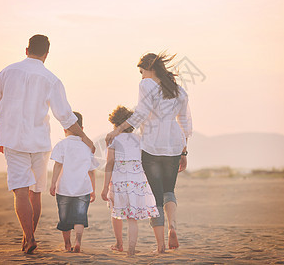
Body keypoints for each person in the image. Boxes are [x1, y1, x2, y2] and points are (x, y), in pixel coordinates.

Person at [0, 35, 95, 254]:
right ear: (46, 54)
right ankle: (28, 238)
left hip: (13, 141)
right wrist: (86, 138)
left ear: (26, 50)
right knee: (35, 192)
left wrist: (1, 136)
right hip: (39, 142)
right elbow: (66, 116)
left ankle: (29, 236)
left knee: (21, 192)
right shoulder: (51, 79)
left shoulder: (7, 72)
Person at [105, 52, 192, 253]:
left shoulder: (146, 85)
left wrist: (117, 130)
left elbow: (141, 113)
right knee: (169, 190)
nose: (141, 76)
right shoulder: (179, 91)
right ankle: (173, 227)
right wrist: (184, 150)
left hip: (152, 146)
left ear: (149, 69)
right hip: (173, 146)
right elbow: (185, 122)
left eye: (141, 71)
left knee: (155, 196)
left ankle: (161, 246)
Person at [101, 106, 159, 256]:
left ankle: (119, 243)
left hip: (120, 180)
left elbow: (110, 163)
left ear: (114, 122)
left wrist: (104, 186)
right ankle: (131, 250)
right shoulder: (139, 139)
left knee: (116, 212)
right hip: (137, 180)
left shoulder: (113, 139)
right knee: (132, 218)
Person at [49, 112, 98, 253]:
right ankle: (78, 241)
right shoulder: (87, 147)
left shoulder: (61, 145)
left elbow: (58, 165)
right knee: (80, 218)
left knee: (64, 218)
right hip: (83, 189)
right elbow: (92, 171)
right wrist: (93, 190)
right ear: (81, 128)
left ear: (65, 129)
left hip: (63, 189)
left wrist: (53, 183)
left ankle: (66, 244)